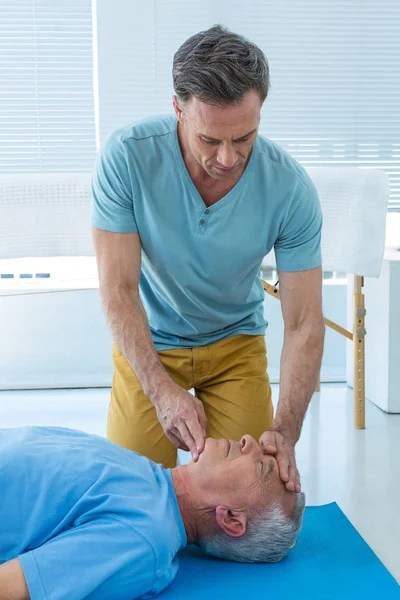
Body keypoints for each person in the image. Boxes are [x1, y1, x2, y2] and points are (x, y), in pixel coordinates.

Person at [91, 24, 325, 492]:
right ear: (178, 108)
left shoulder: (290, 189)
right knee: (132, 492)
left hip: (235, 344)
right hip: (152, 342)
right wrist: (159, 389)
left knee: (255, 492)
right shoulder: (126, 158)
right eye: (210, 139)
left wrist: (285, 432)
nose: (226, 157)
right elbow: (117, 290)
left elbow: (303, 324)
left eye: (244, 138)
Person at [0, 426, 305, 600]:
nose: (249, 441)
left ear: (230, 519)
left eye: (262, 466)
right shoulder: (150, 477)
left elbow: (13, 586)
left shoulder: (144, 539)